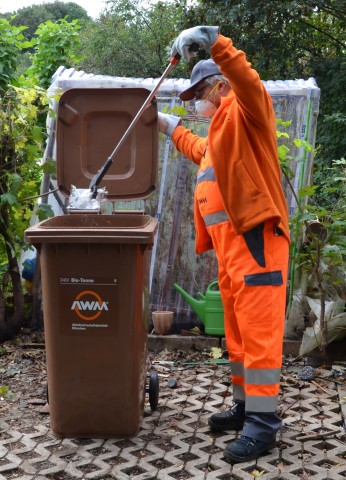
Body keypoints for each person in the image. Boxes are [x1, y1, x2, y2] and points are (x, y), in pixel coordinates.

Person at [158, 26, 290, 464]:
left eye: (199, 93)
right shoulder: (220, 134)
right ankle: (245, 408)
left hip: (257, 246)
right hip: (231, 252)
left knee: (259, 336)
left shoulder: (248, 113)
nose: (196, 102)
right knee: (236, 335)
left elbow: (248, 80)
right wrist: (169, 127)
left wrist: (214, 41)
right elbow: (199, 150)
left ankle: (263, 426)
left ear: (220, 87)